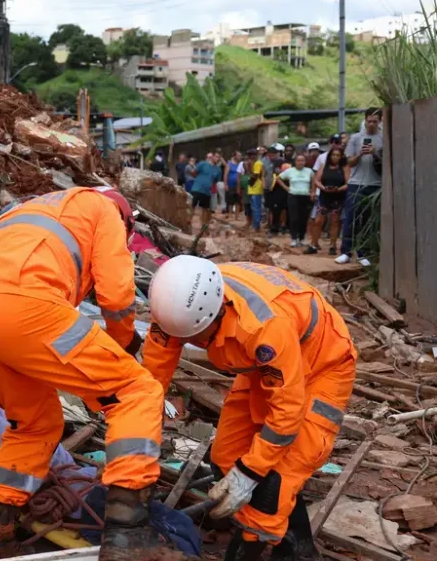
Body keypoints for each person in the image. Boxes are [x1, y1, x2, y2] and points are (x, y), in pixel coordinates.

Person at [0, 187, 173, 561]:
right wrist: (124, 348)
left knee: (34, 424)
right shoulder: (105, 210)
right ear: (126, 219)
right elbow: (116, 298)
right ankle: (127, 531)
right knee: (136, 392)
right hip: (30, 304)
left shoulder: (27, 212)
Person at [144, 257, 355, 561]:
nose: (185, 343)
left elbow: (287, 412)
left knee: (276, 481)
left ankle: (261, 544)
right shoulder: (173, 311)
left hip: (322, 362)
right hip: (263, 368)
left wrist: (250, 473)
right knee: (226, 457)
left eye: (193, 339)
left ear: (215, 316)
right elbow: (153, 377)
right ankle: (296, 544)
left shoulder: (264, 328)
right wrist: (140, 444)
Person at [337, 108, 383, 266]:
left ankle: (364, 253)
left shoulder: (385, 137)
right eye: (369, 121)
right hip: (356, 183)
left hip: (375, 184)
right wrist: (361, 154)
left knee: (368, 220)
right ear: (365, 120)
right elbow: (349, 162)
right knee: (350, 217)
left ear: (380, 121)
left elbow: (388, 162)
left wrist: (375, 153)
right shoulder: (356, 138)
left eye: (374, 121)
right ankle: (345, 252)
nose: (371, 124)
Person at [307, 147, 349, 255]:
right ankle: (314, 244)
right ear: (330, 156)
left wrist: (338, 189)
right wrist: (323, 187)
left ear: (341, 157)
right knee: (318, 221)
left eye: (337, 155)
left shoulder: (344, 167)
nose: (335, 157)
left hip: (338, 197)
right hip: (324, 196)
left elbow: (348, 183)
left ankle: (332, 245)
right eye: (333, 155)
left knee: (335, 221)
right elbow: (316, 180)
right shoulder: (324, 166)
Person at [279, 154, 314, 247]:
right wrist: (286, 188)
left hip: (305, 196)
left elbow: (314, 180)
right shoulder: (290, 171)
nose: (300, 162)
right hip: (293, 195)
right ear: (295, 162)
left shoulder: (309, 171)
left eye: (302, 160)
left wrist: (312, 190)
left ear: (305, 162)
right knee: (294, 218)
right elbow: (278, 178)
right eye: (298, 160)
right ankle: (294, 238)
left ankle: (302, 238)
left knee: (304, 218)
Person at [264, 144, 288, 236]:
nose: (271, 156)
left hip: (280, 188)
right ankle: (273, 226)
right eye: (269, 155)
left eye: (272, 155)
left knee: (280, 208)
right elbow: (265, 174)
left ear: (277, 154)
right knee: (271, 208)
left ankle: (279, 227)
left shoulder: (283, 162)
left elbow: (287, 174)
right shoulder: (267, 163)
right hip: (270, 188)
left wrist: (281, 172)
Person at [192, 153, 221, 226]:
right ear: (212, 157)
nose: (217, 159)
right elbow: (194, 173)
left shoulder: (218, 170)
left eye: (219, 158)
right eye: (216, 157)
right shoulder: (202, 164)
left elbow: (216, 180)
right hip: (196, 188)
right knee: (191, 206)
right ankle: (187, 221)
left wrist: (209, 183)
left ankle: (203, 225)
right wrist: (200, 180)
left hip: (207, 192)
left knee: (205, 209)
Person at [247, 150, 266, 232]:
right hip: (252, 189)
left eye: (253, 155)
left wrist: (249, 168)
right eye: (250, 155)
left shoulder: (258, 163)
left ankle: (256, 226)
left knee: (256, 208)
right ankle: (255, 225)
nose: (251, 156)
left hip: (256, 188)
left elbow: (255, 176)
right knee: (254, 208)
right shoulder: (254, 163)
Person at [225, 150, 242, 215]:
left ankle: (236, 216)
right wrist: (226, 184)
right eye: (238, 155)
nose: (240, 157)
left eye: (240, 156)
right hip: (231, 185)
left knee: (237, 201)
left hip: (238, 185)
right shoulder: (229, 164)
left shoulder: (241, 164)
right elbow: (225, 175)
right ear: (234, 156)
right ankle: (230, 215)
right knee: (230, 201)